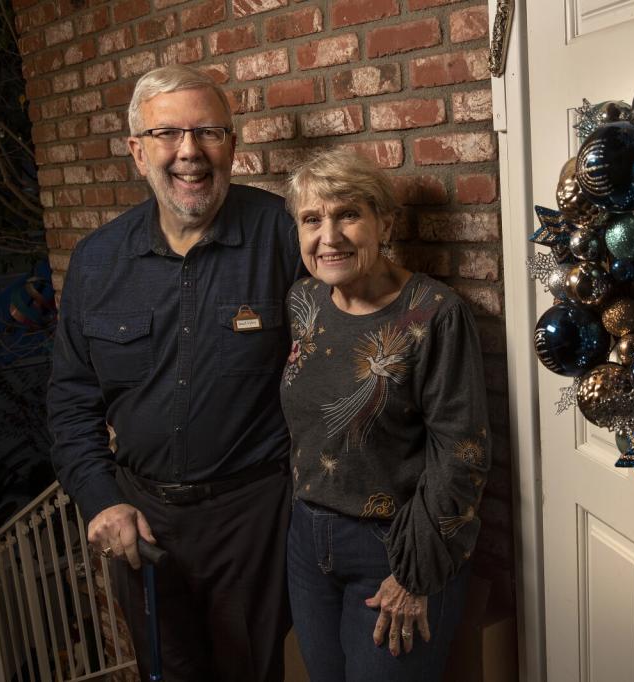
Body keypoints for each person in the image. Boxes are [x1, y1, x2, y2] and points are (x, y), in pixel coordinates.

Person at [47, 64, 300, 681]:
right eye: (167, 134)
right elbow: (71, 402)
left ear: (232, 145)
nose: (190, 152)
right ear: (138, 151)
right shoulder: (97, 261)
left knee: (250, 671)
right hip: (142, 523)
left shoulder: (286, 235)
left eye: (209, 132)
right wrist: (102, 502)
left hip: (255, 520)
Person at [280, 149, 491, 681]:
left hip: (393, 547)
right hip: (307, 539)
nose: (329, 236)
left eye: (347, 214)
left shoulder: (434, 312)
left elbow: (462, 453)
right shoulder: (303, 301)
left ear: (385, 224)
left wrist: (414, 573)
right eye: (312, 219)